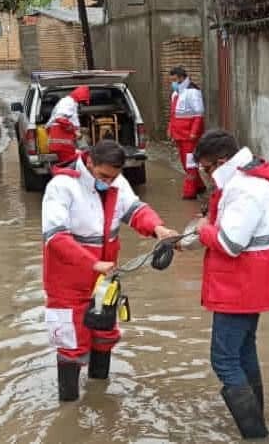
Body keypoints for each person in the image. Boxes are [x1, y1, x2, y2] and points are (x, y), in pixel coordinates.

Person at [42, 140, 177, 401]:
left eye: (114, 177)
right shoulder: (62, 187)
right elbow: (56, 238)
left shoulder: (116, 181)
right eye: (104, 176)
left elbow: (135, 210)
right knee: (72, 344)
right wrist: (92, 262)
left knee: (105, 334)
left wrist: (157, 228)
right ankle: (69, 409)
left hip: (103, 280)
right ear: (89, 161)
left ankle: (98, 393)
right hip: (68, 281)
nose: (109, 181)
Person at [192, 130, 269, 439]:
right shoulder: (250, 178)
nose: (206, 175)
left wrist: (202, 230)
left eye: (206, 168)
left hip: (240, 285)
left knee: (223, 359)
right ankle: (257, 418)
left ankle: (255, 433)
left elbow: (230, 242)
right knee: (243, 350)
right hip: (253, 282)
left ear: (221, 162)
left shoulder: (244, 188)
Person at [167, 66, 206, 200]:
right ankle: (199, 185)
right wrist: (170, 130)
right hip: (179, 135)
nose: (172, 83)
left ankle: (190, 192)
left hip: (189, 136)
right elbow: (173, 115)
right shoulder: (176, 93)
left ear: (181, 78)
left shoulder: (193, 92)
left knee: (190, 164)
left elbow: (198, 114)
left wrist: (194, 133)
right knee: (185, 163)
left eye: (174, 80)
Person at [47, 86, 90, 165]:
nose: (82, 105)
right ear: (80, 98)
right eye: (83, 102)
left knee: (71, 162)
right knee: (72, 163)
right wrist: (75, 131)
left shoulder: (71, 103)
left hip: (64, 143)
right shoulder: (68, 102)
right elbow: (60, 118)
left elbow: (68, 119)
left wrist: (78, 130)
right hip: (63, 143)